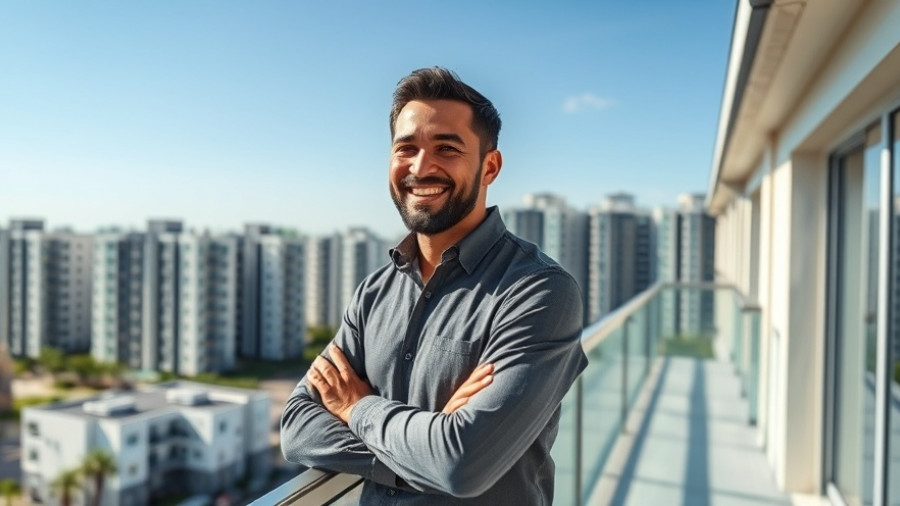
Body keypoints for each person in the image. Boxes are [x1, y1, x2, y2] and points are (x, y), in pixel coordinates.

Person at [281, 67, 588, 504]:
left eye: (446, 148)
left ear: (490, 167)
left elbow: (462, 464)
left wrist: (357, 408)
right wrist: (427, 448)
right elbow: (297, 427)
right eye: (406, 148)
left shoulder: (538, 292)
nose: (421, 167)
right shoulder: (374, 292)